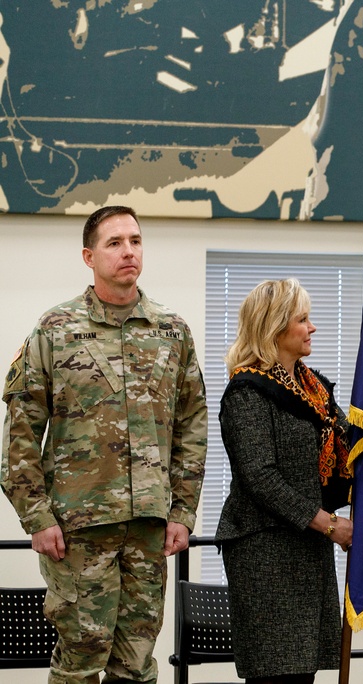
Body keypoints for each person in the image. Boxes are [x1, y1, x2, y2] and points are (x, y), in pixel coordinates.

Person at [1, 205, 208, 684]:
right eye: (115, 243)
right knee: (79, 662)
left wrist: (182, 512)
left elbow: (192, 425)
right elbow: (21, 431)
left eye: (135, 241)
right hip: (78, 531)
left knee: (136, 665)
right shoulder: (55, 330)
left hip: (149, 529)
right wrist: (36, 516)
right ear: (88, 256)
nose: (128, 251)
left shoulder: (171, 331)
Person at [216, 278, 353, 684]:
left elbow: (353, 444)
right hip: (265, 553)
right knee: (277, 676)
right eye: (303, 319)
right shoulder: (246, 393)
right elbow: (261, 478)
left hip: (306, 549)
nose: (312, 328)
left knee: (301, 675)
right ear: (275, 327)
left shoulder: (314, 391)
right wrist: (330, 524)